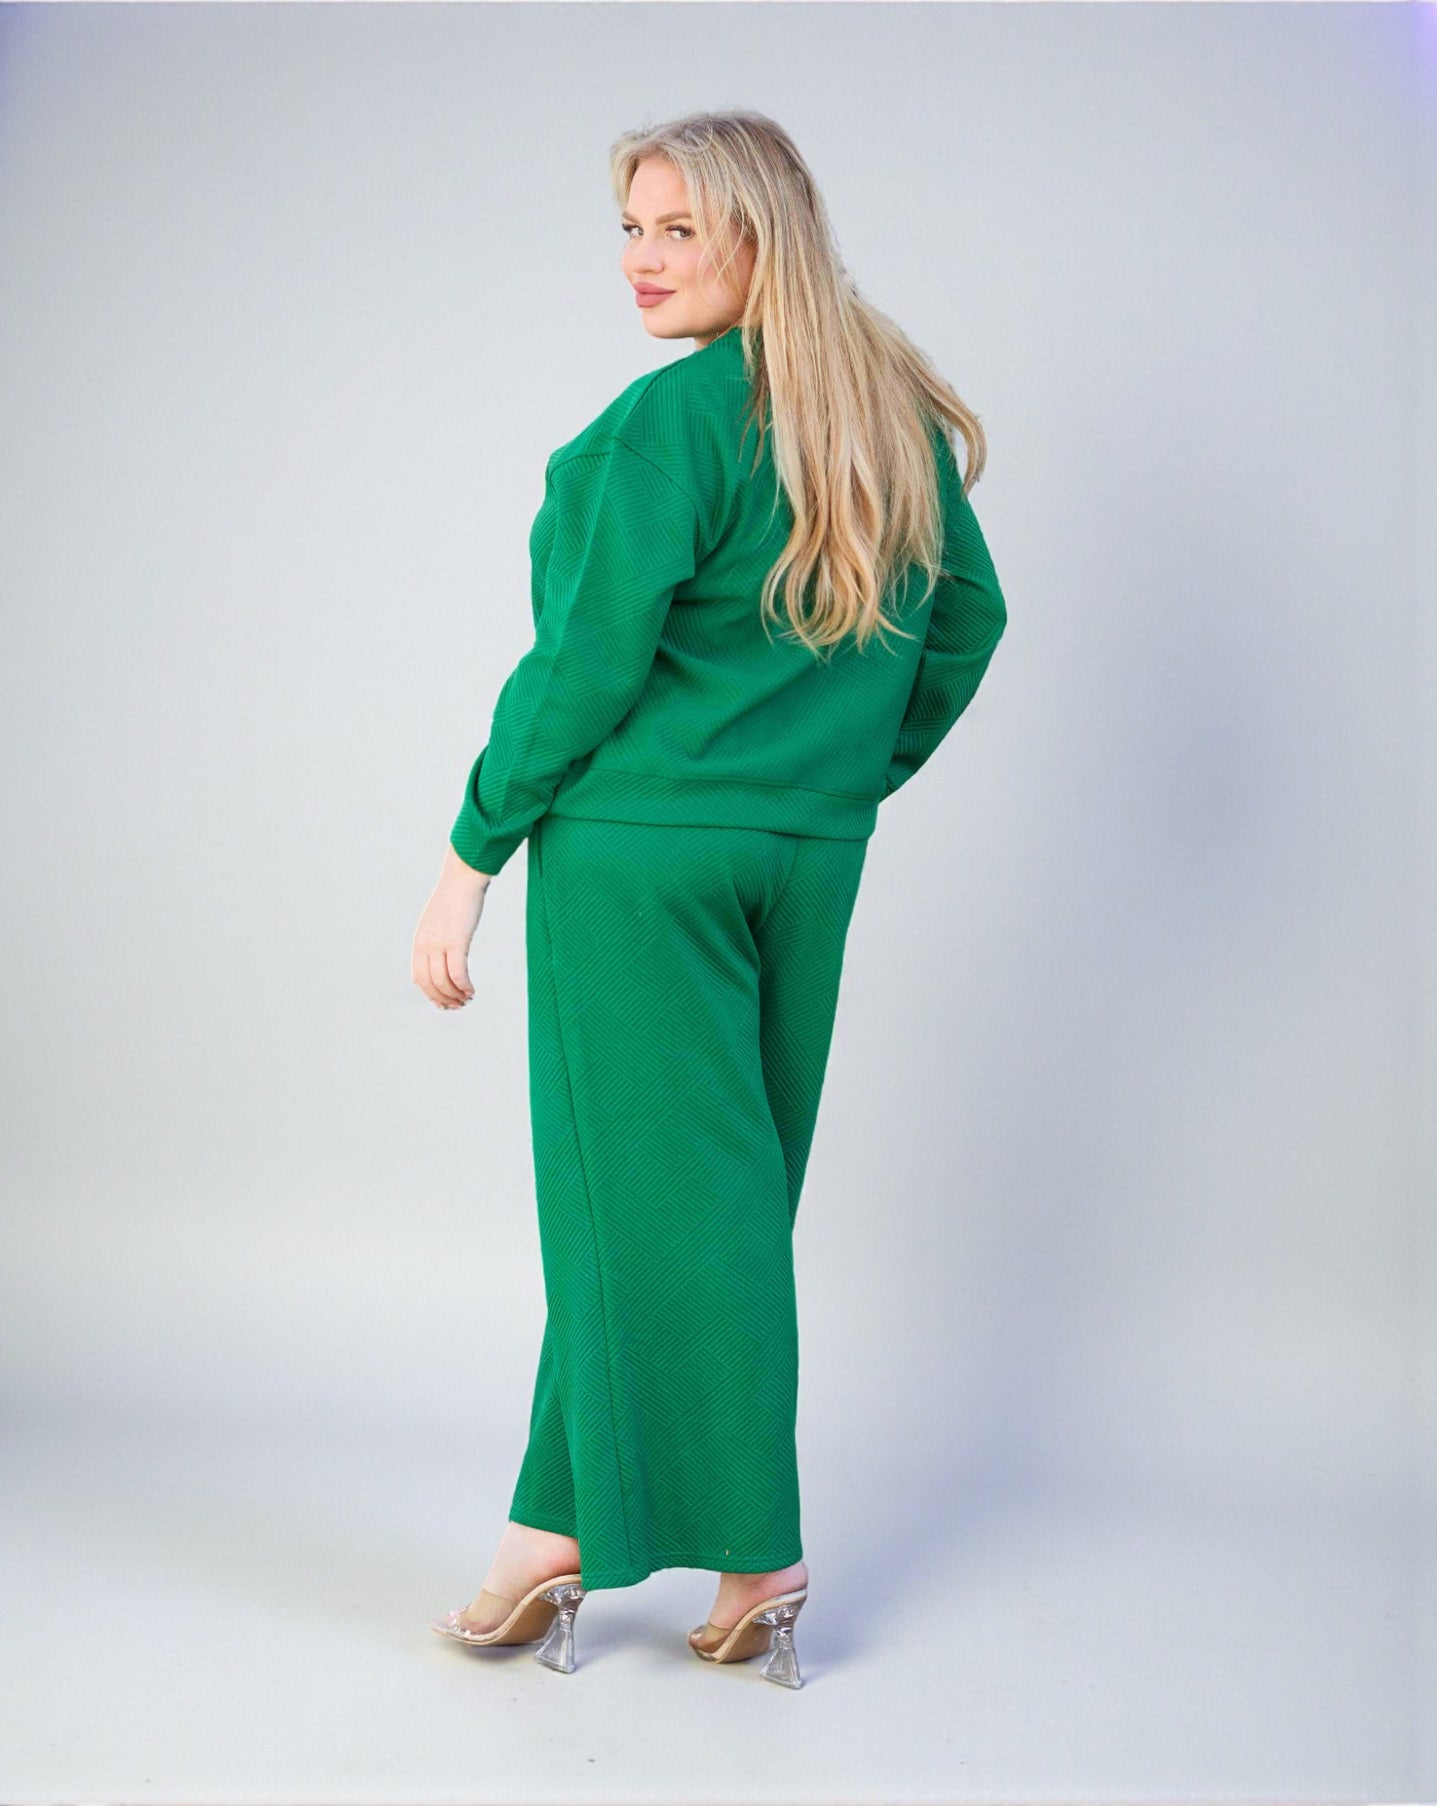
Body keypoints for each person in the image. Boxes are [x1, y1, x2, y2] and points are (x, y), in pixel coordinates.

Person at [411, 109, 1008, 1688]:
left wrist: (470, 854)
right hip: (799, 860)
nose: (643, 261)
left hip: (636, 857)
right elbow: (967, 624)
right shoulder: (877, 416)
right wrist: (824, 781)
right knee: (693, 1207)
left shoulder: (660, 427)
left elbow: (582, 665)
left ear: (760, 237)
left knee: (653, 1206)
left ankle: (761, 1549)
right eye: (629, 228)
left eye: (678, 229)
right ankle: (550, 1533)